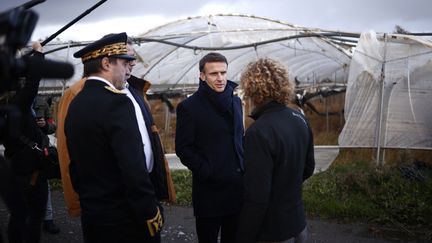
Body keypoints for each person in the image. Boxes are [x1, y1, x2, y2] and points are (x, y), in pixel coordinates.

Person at [56, 36, 176, 219]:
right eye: (125, 60)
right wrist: (148, 210)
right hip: (125, 206)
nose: (131, 65)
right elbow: (131, 165)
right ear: (106, 63)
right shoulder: (116, 102)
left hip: (96, 207)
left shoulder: (79, 101)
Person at [235, 58, 315, 243]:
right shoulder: (299, 118)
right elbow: (308, 167)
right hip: (298, 224)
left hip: (272, 231)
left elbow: (257, 196)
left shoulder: (258, 132)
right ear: (283, 84)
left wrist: (243, 236)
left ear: (251, 88)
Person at [175, 52, 244, 243]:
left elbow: (239, 138)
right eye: (214, 74)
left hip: (237, 188)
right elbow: (183, 148)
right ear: (202, 76)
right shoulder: (189, 107)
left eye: (223, 72)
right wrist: (207, 170)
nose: (220, 78)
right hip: (209, 191)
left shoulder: (236, 102)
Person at [2, 42, 49, 243]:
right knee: (33, 219)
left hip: (15, 167)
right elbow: (32, 84)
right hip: (29, 172)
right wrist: (38, 54)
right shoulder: (15, 106)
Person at [33, 96, 61, 234]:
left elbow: (53, 125)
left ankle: (48, 220)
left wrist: (45, 125)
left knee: (44, 184)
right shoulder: (10, 100)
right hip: (19, 152)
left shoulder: (41, 102)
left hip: (39, 150)